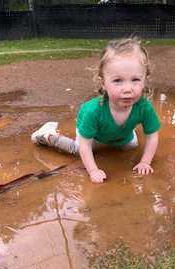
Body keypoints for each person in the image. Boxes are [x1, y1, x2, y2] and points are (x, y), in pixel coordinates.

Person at [31, 37, 161, 183]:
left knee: (131, 147)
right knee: (77, 150)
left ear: (145, 80)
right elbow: (85, 145)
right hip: (93, 136)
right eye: (118, 80)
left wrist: (145, 162)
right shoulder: (93, 111)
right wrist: (93, 170)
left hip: (121, 135)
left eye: (136, 80)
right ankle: (47, 136)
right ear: (103, 83)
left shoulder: (144, 107)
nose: (128, 89)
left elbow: (152, 136)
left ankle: (118, 133)